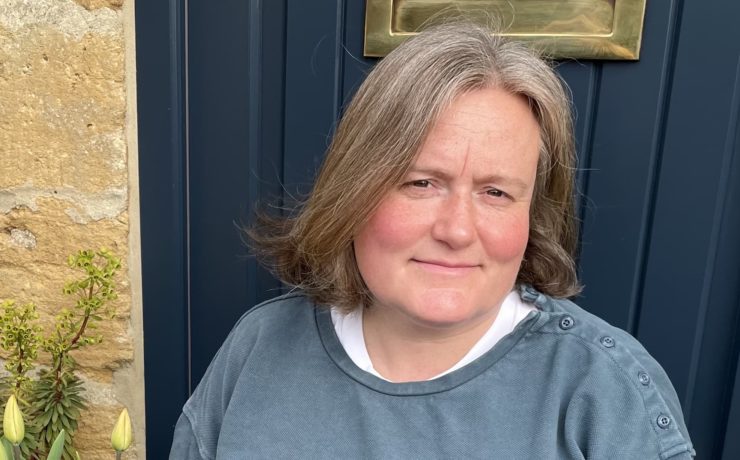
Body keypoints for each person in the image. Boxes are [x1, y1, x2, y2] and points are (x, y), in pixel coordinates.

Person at [170, 22, 695, 459]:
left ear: (532, 214)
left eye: (496, 192)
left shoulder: (603, 391)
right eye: (421, 183)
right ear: (354, 189)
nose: (457, 230)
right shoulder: (258, 348)